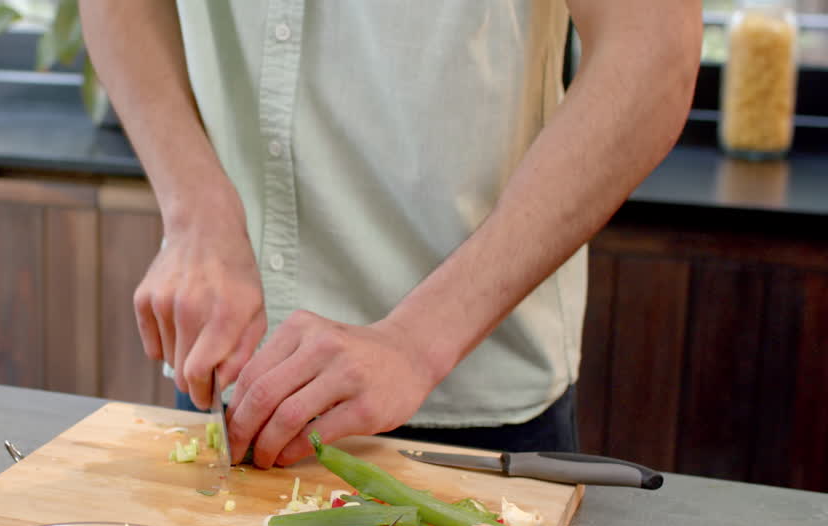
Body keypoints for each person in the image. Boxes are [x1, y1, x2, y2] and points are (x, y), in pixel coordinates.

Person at [79, 1, 701, 469]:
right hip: (229, 372)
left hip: (468, 395)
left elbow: (653, 53)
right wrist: (195, 207)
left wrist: (416, 340)